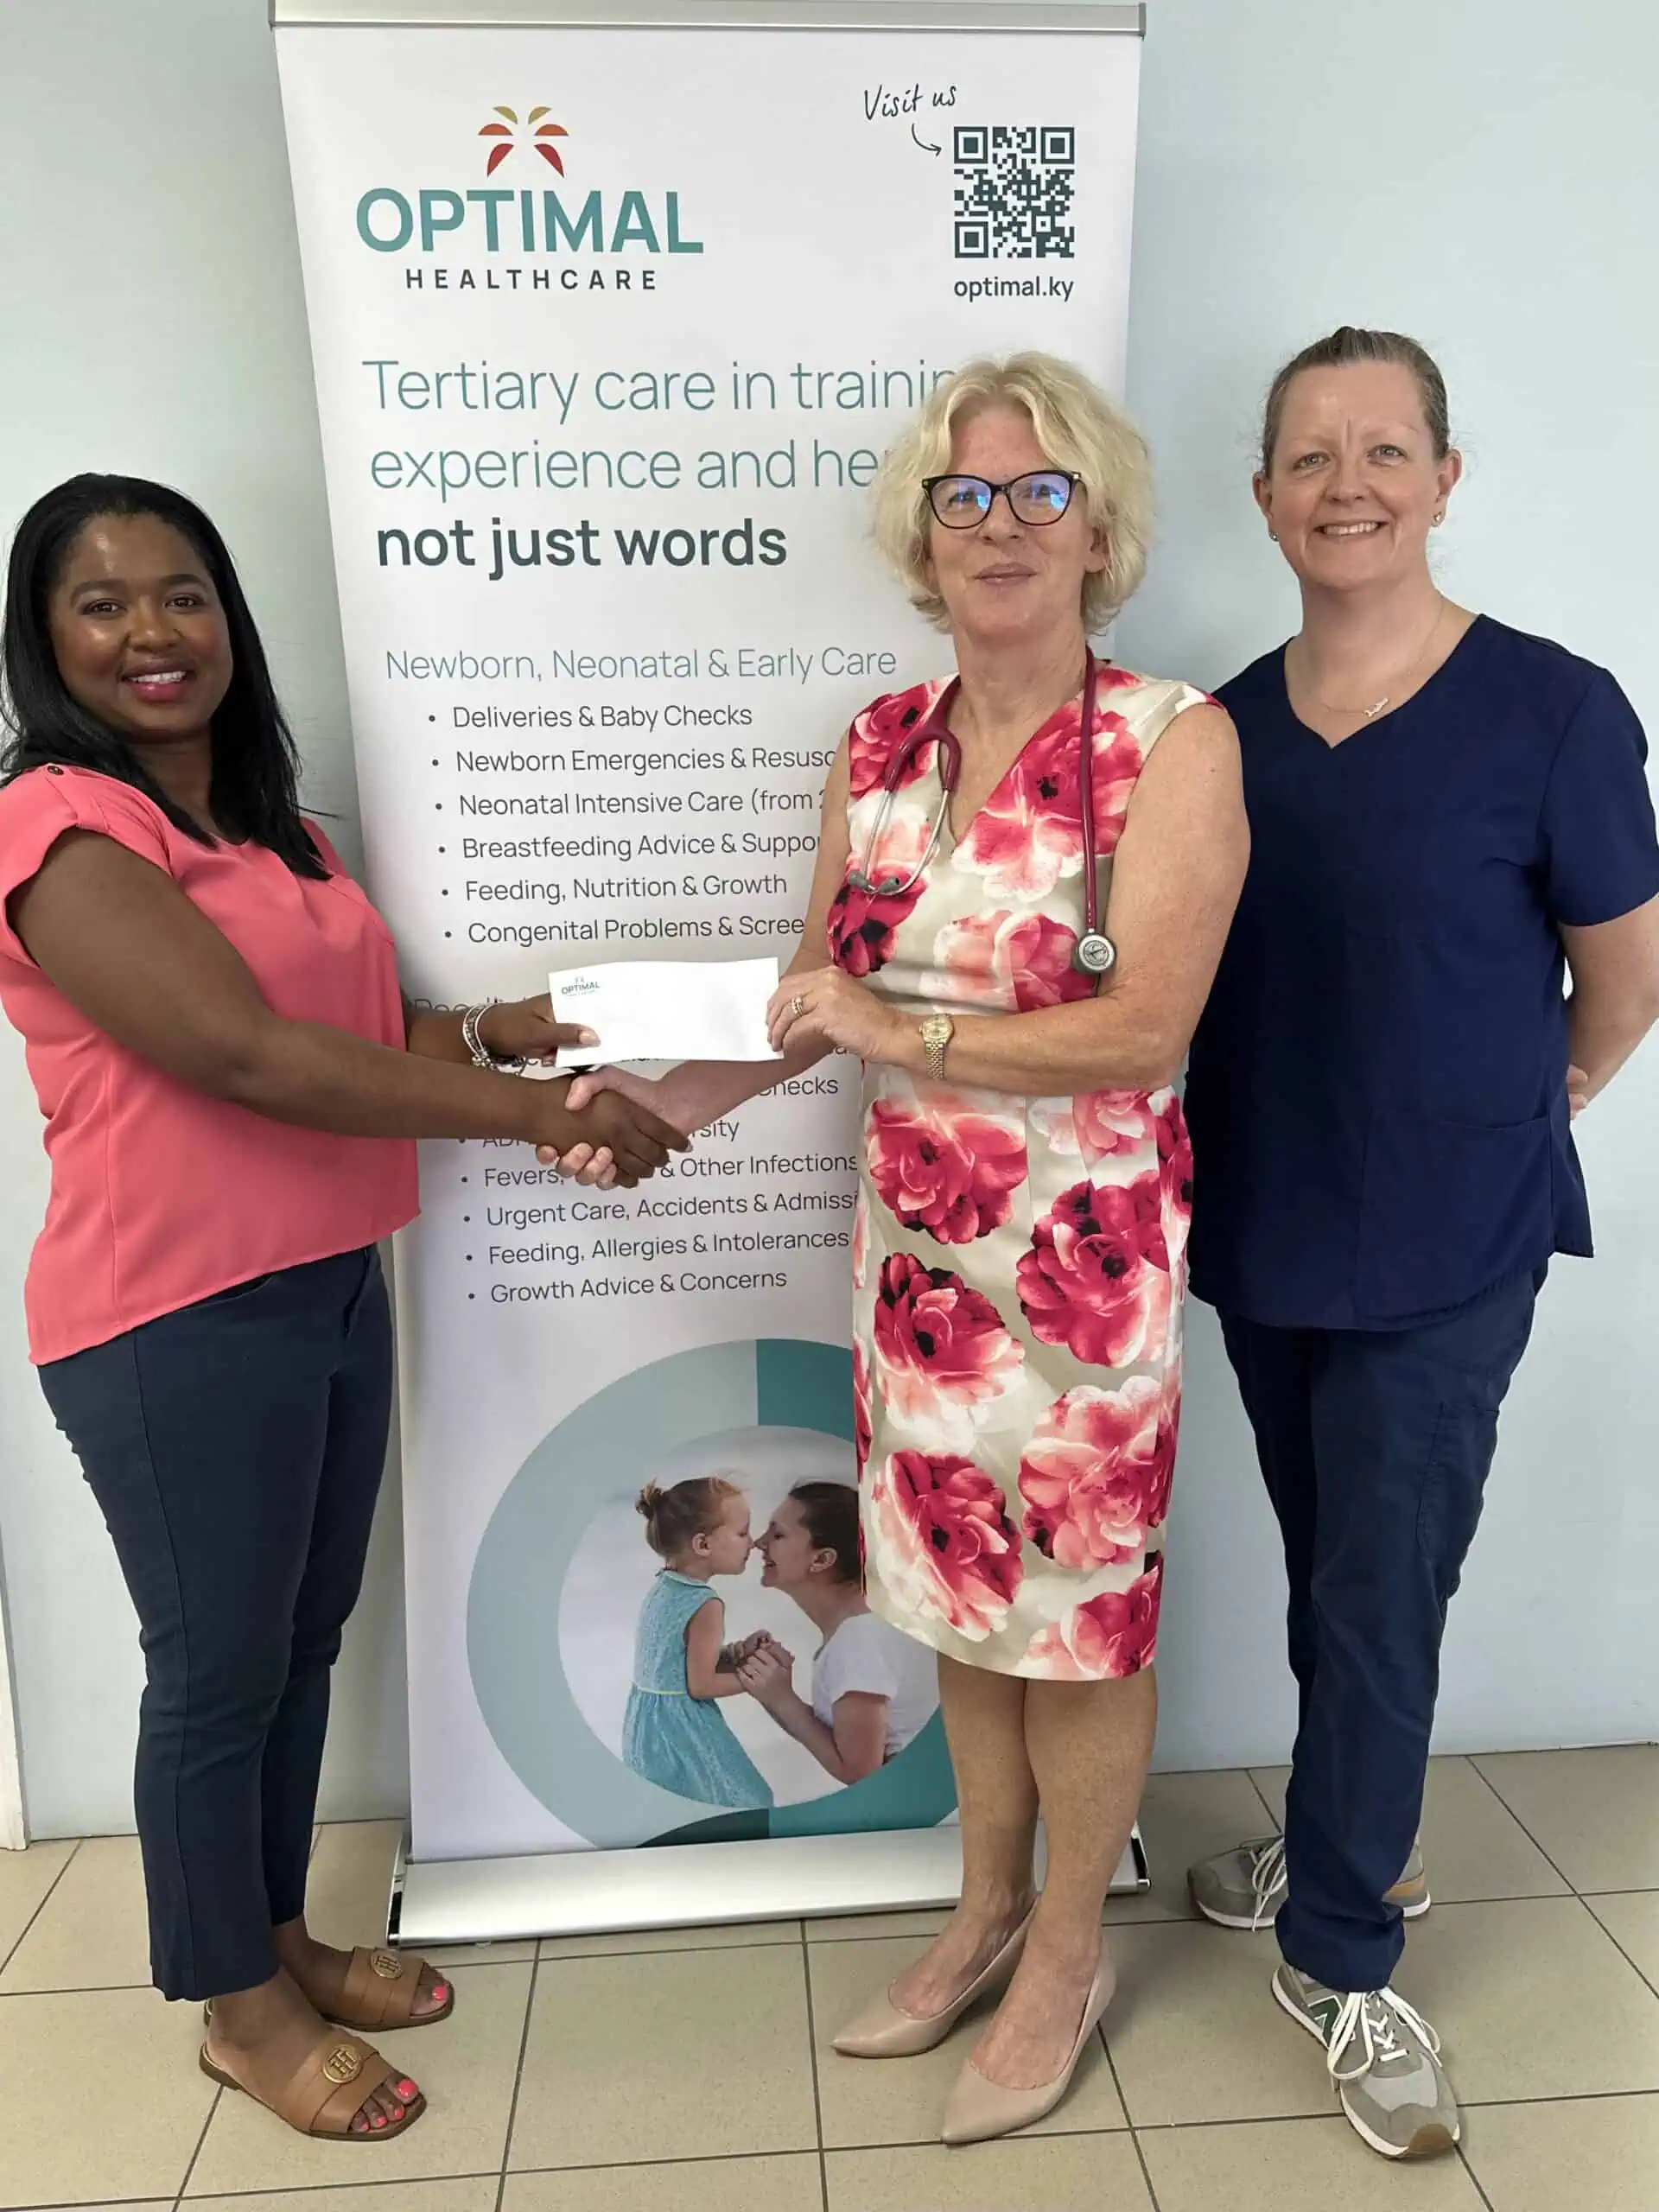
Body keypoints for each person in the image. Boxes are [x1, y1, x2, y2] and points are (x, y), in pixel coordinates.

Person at [567, 353, 1249, 2143]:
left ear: (1099, 527)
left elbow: (1142, 1027)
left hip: (1086, 1287)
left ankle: (1064, 1956)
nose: (1003, 524)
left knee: (1076, 1629)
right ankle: (980, 1907)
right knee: (958, 1598)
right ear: (921, 534)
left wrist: (903, 1029)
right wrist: (650, 1108)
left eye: (1041, 492)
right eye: (968, 494)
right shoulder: (874, 745)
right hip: (922, 1287)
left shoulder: (1171, 742)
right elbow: (814, 1007)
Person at [0, 474, 686, 2145]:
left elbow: (381, 1044)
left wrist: (530, 1028)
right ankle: (234, 2008)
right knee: (217, 1666)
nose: (154, 634)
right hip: (170, 1320)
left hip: (322, 1288)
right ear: (44, 639)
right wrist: (548, 1120)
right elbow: (244, 1056)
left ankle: (282, 1934)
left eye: (185, 596)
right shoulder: (54, 828)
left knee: (297, 1646)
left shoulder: (278, 834)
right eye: (103, 604)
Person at [1181, 327, 1659, 2163]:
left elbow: (1620, 979)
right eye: (1311, 455)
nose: (1349, 483)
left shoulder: (1552, 708)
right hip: (1269, 1215)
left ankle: (1344, 1949)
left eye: (1387, 449)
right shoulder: (1214, 731)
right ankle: (1342, 1830)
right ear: (1265, 497)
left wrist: (1508, 1115)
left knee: (1386, 1584)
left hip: (1455, 1234)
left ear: (1447, 478)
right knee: (1335, 1563)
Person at [738, 1479, 938, 1783]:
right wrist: (770, 1692)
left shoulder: (859, 1641)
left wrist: (781, 1699)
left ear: (821, 1560)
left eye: (778, 1534)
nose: (759, 1543)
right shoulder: (865, 1627)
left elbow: (862, 1774)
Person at [622, 1475, 774, 1809]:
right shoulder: (706, 1604)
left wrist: (735, 1653)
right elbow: (700, 1685)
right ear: (703, 1545)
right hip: (682, 1730)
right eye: (741, 1532)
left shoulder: (663, 1587)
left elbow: (674, 1662)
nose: (752, 1543)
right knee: (749, 1801)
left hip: (647, 1727)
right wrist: (754, 1682)